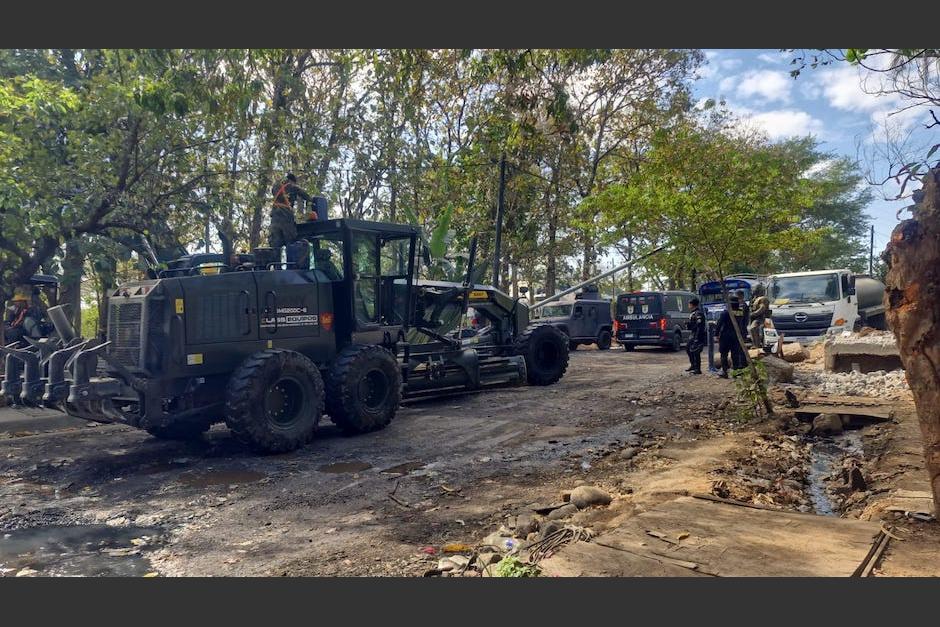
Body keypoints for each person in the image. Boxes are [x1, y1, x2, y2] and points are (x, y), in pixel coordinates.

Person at [268, 172, 313, 251]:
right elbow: (306, 196)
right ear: (292, 181)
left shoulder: (275, 186)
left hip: (275, 219)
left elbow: (273, 192)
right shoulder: (293, 187)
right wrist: (311, 203)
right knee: (291, 241)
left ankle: (275, 262)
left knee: (275, 245)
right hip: (286, 218)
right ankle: (292, 260)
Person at [715, 295, 747, 378]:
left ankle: (724, 371)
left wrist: (716, 334)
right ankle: (736, 371)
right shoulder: (741, 312)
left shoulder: (725, 312)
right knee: (735, 354)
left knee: (724, 354)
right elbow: (743, 324)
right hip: (737, 336)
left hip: (725, 336)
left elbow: (719, 324)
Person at [685, 297, 707, 375]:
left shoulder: (698, 313)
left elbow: (700, 326)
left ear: (692, 304)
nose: (688, 305)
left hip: (697, 335)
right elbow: (693, 324)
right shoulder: (693, 313)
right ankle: (693, 365)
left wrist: (697, 338)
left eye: (689, 304)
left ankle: (698, 369)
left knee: (696, 351)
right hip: (693, 333)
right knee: (688, 348)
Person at [748, 284, 771, 349]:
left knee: (753, 328)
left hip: (761, 318)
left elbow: (762, 308)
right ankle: (755, 344)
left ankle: (757, 344)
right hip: (755, 318)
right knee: (752, 329)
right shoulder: (754, 298)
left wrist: (754, 313)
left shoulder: (763, 299)